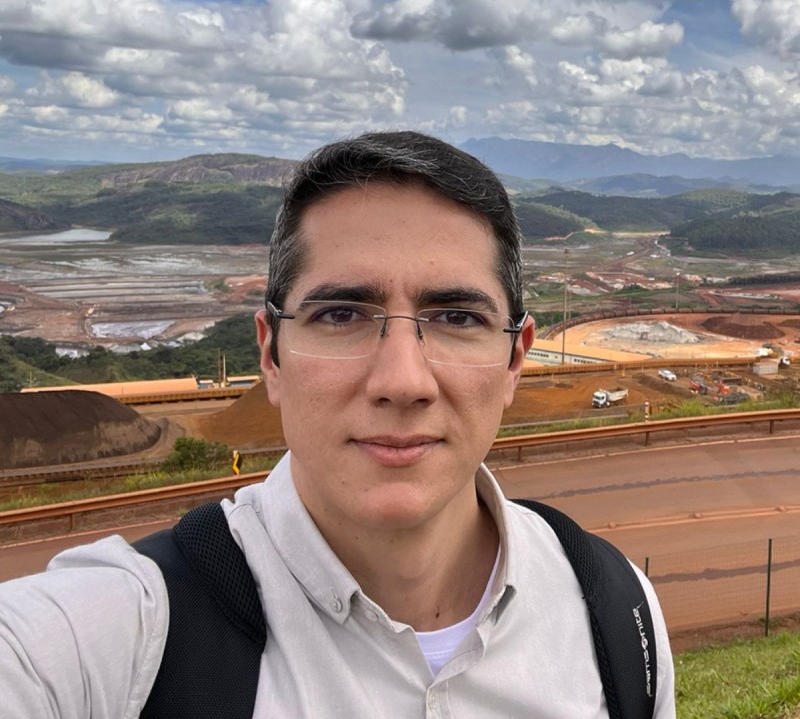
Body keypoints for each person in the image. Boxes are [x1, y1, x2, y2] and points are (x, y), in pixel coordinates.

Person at [0, 130, 675, 717]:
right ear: (270, 353)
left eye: (456, 318)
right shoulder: (121, 636)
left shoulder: (614, 611)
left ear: (514, 360)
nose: (403, 382)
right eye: (342, 315)